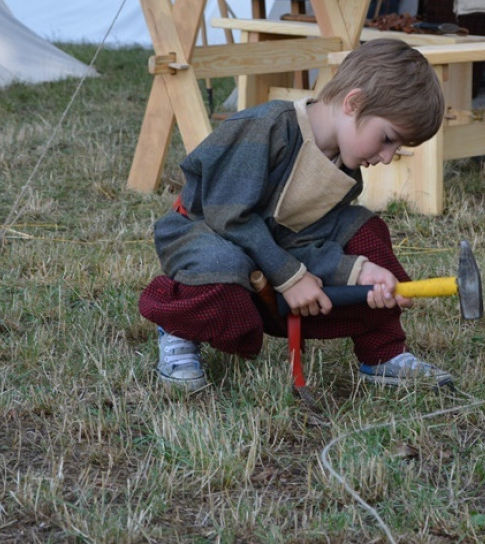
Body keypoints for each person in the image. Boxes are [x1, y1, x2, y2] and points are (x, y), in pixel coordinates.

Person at [139, 38, 453, 392]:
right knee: (225, 262)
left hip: (270, 247)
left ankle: (383, 354)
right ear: (355, 103)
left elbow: (301, 239)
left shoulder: (345, 174)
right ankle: (179, 324)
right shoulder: (268, 126)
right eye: (387, 139)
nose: (387, 156)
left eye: (397, 148)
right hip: (202, 231)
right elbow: (227, 217)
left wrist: (357, 271)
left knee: (367, 231)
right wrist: (289, 275)